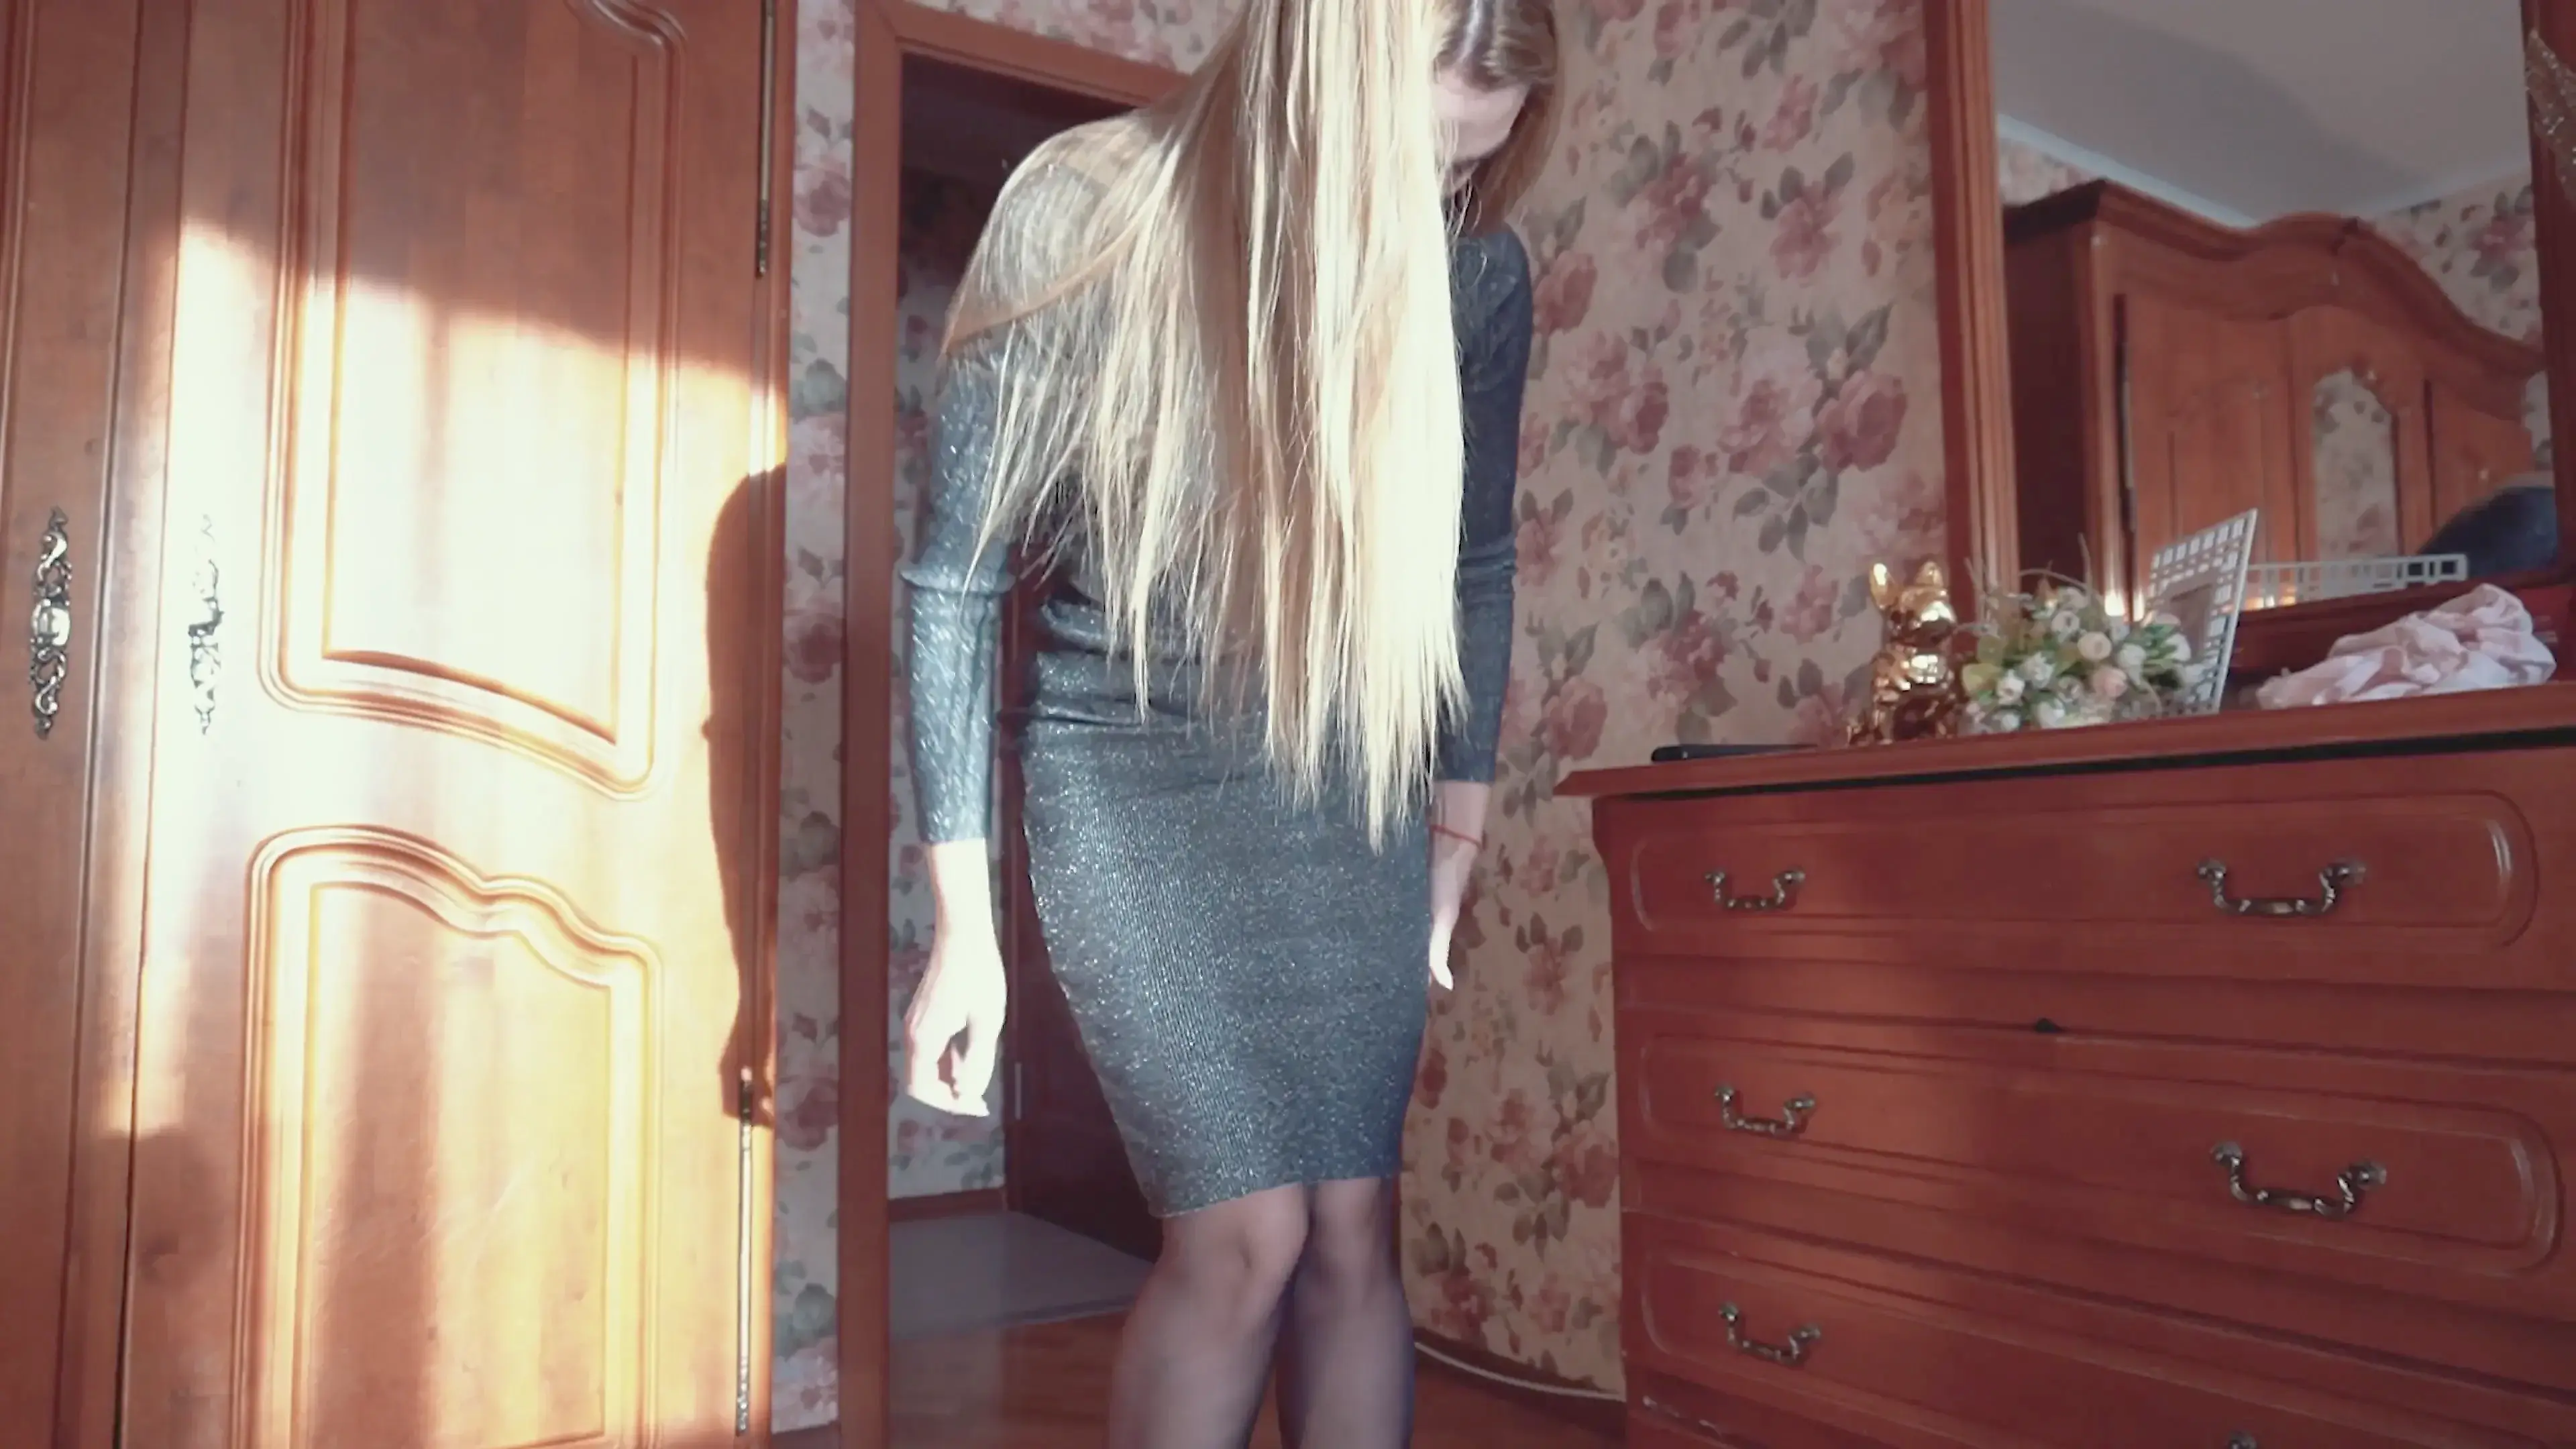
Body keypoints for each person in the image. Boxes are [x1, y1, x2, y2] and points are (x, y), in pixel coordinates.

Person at [896, 1, 1557, 1444]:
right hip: (1136, 779)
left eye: (1464, 168)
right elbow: (953, 582)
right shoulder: (1089, 210)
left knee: (1350, 1227)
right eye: (1412, 158)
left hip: (1352, 782)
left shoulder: (1475, 269)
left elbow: (1477, 563)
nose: (1435, 200)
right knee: (1247, 1235)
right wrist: (963, 927)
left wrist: (1457, 835)